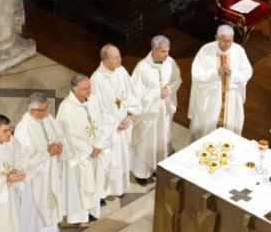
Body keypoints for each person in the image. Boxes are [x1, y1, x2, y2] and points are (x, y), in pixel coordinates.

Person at [56, 73, 114, 223]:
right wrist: (89, 150)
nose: (88, 91)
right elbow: (71, 137)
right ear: (75, 90)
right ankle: (79, 215)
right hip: (80, 156)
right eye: (84, 89)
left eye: (89, 87)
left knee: (96, 181)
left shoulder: (94, 100)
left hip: (96, 151)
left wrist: (99, 145)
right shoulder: (67, 109)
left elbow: (107, 120)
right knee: (79, 187)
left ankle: (93, 209)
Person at [13, 93, 64, 232]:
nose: (49, 109)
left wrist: (59, 145)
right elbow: (25, 159)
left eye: (48, 106)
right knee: (35, 206)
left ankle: (49, 229)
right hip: (35, 176)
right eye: (45, 108)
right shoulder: (24, 129)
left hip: (49, 170)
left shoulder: (46, 118)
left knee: (50, 197)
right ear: (34, 110)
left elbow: (58, 134)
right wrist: (47, 153)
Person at [129, 35, 182, 184]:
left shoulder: (170, 63)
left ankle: (159, 169)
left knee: (162, 140)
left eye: (168, 51)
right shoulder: (142, 67)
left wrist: (170, 90)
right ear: (153, 50)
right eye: (163, 51)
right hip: (148, 115)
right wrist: (156, 93)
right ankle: (142, 173)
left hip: (163, 111)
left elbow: (176, 80)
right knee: (147, 142)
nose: (167, 55)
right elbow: (135, 92)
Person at [90, 44, 140, 200]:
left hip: (124, 124)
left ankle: (119, 187)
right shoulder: (96, 80)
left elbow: (131, 93)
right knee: (107, 162)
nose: (120, 60)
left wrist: (130, 113)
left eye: (119, 56)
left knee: (122, 157)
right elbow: (96, 109)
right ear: (105, 60)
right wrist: (114, 125)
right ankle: (102, 193)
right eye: (115, 58)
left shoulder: (121, 71)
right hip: (109, 129)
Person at [189, 25, 252, 139]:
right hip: (210, 100)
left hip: (231, 98)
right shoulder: (206, 50)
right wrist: (216, 73)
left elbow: (247, 72)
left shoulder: (238, 51)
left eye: (230, 41)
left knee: (228, 134)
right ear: (217, 38)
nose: (228, 45)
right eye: (225, 41)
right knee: (207, 133)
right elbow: (196, 74)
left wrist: (232, 74)